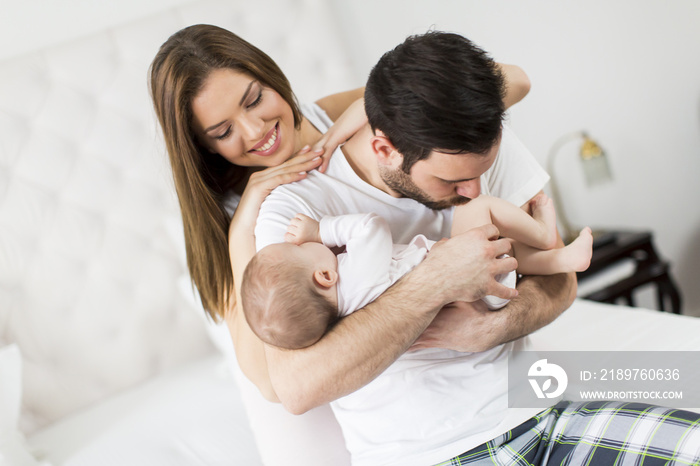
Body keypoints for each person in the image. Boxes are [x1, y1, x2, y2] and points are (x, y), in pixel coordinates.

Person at [252, 31, 700, 465]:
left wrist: (491, 329)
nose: (474, 190)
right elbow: (297, 389)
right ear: (384, 148)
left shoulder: (473, 139)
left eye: (482, 170)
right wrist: (436, 279)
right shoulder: (294, 212)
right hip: (430, 454)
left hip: (541, 411)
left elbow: (559, 280)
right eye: (451, 180)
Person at [149, 24, 532, 465]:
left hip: (504, 385)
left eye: (254, 99)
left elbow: (514, 79)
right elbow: (273, 385)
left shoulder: (330, 116)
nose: (255, 131)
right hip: (416, 425)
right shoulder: (253, 218)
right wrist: (241, 228)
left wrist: (363, 111)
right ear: (203, 147)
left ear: (270, 75)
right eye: (222, 132)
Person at [242, 195, 594, 350]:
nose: (300, 242)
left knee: (510, 253)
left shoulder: (346, 309)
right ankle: (544, 235)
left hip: (476, 295)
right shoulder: (357, 275)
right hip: (472, 284)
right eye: (297, 248)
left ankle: (564, 260)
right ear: (323, 277)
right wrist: (321, 231)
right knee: (478, 208)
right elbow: (371, 228)